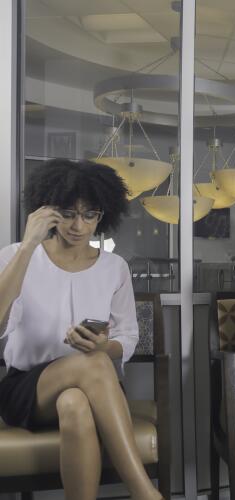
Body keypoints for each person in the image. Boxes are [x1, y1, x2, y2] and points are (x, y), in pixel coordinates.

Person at [0, 159, 162, 500]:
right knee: (94, 364)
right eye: (68, 213)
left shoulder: (114, 268)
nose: (78, 225)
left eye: (89, 215)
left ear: (102, 216)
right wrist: (28, 245)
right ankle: (146, 494)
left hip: (93, 389)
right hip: (30, 391)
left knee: (75, 400)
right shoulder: (17, 256)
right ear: (48, 210)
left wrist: (105, 346)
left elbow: (128, 337)